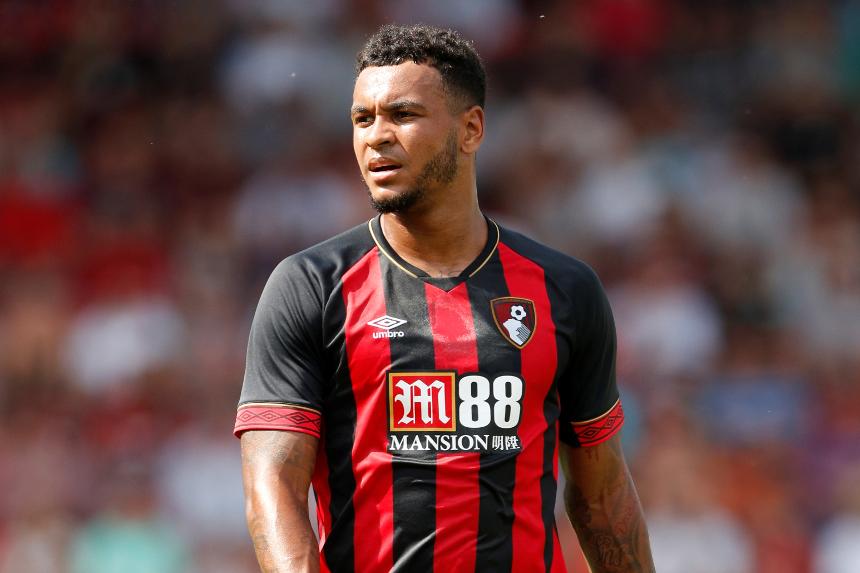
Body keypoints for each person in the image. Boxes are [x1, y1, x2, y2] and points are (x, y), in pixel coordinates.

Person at [235, 23, 655, 573]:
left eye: (402, 115)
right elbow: (273, 490)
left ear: (471, 129)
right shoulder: (310, 286)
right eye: (363, 119)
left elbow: (603, 500)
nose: (376, 137)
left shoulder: (566, 290)